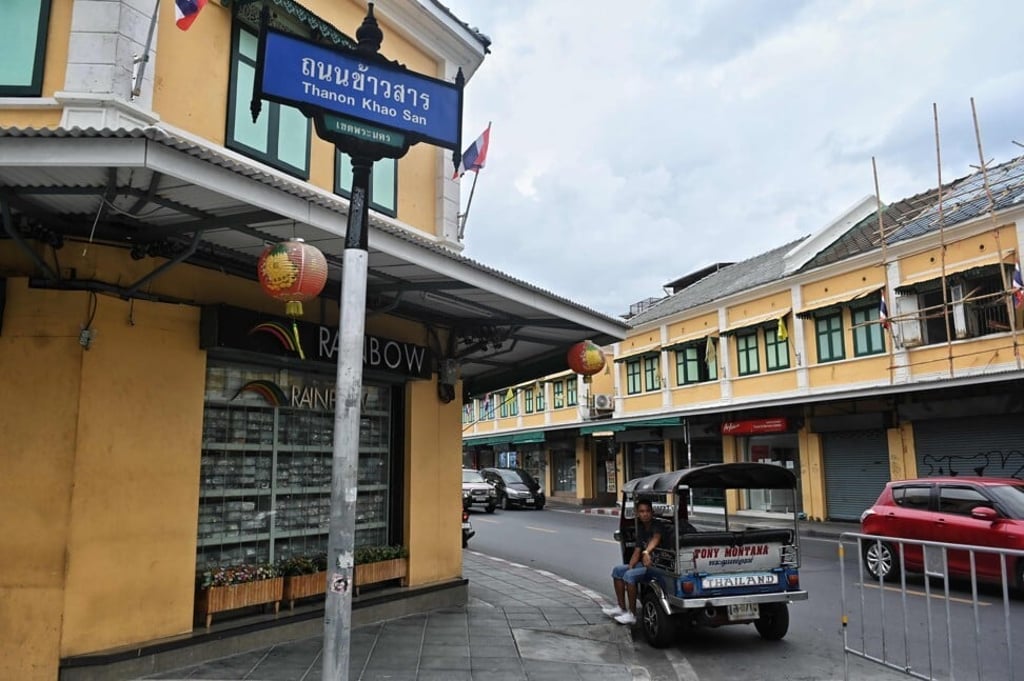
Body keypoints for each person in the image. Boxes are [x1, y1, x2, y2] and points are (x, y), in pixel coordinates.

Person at [603, 497, 663, 624]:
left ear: (652, 512)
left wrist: (647, 552)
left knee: (629, 576)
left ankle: (632, 615)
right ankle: (621, 607)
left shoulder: (656, 525)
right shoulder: (641, 528)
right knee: (618, 571)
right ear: (637, 513)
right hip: (643, 564)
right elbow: (637, 550)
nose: (645, 514)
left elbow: (656, 539)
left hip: (656, 565)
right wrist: (631, 566)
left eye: (647, 511)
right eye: (641, 511)